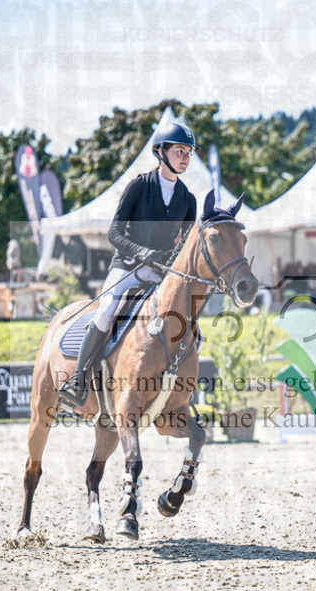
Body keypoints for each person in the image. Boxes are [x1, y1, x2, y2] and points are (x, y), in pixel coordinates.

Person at [60, 121, 200, 406]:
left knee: (189, 324)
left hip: (162, 275)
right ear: (160, 152)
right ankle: (78, 380)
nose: (185, 157)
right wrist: (141, 252)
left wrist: (171, 262)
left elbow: (184, 245)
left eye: (189, 152)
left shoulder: (189, 199)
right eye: (179, 151)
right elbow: (114, 233)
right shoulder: (139, 186)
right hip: (128, 267)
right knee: (106, 310)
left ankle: (178, 393)